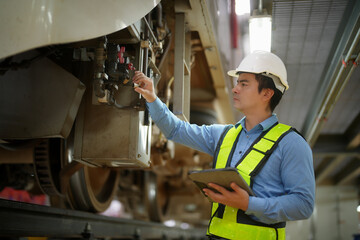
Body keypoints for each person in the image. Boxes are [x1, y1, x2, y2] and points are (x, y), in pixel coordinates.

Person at [132, 50, 315, 240]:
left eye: (244, 84)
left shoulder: (291, 144)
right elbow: (176, 130)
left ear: (267, 93)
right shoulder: (224, 134)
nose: (235, 89)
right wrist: (152, 98)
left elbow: (303, 205)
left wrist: (248, 204)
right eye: (237, 83)